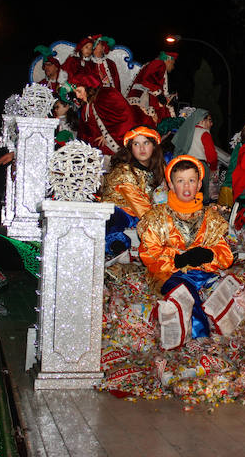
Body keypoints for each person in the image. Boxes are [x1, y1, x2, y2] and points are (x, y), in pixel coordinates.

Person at [138, 156, 233, 344]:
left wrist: (209, 255)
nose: (187, 186)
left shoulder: (210, 217)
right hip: (169, 275)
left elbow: (225, 254)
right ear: (171, 185)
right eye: (180, 181)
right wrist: (178, 259)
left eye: (191, 180)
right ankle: (201, 341)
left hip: (203, 274)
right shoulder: (157, 217)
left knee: (232, 289)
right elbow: (150, 254)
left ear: (199, 184)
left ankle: (230, 338)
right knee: (185, 292)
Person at [100, 126, 166, 260]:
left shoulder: (154, 169)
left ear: (154, 146)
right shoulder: (124, 172)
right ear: (130, 148)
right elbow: (141, 208)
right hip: (120, 215)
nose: (142, 149)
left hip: (140, 215)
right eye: (136, 144)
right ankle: (117, 248)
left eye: (146, 143)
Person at [72, 71, 151, 155]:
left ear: (88, 87)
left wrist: (108, 135)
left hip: (112, 149)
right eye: (75, 92)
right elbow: (84, 131)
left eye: (79, 91)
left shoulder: (107, 95)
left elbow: (125, 117)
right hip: (97, 151)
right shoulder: (86, 106)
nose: (77, 96)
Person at [172, 108, 218, 200]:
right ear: (201, 120)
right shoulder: (205, 133)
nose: (211, 124)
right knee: (201, 194)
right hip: (200, 166)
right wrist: (213, 169)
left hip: (186, 165)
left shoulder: (188, 132)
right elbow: (211, 155)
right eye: (209, 120)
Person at [127, 50, 177, 123]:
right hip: (142, 100)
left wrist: (168, 98)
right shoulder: (160, 64)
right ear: (168, 60)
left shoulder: (155, 65)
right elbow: (148, 80)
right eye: (173, 63)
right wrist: (159, 95)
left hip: (140, 98)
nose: (173, 67)